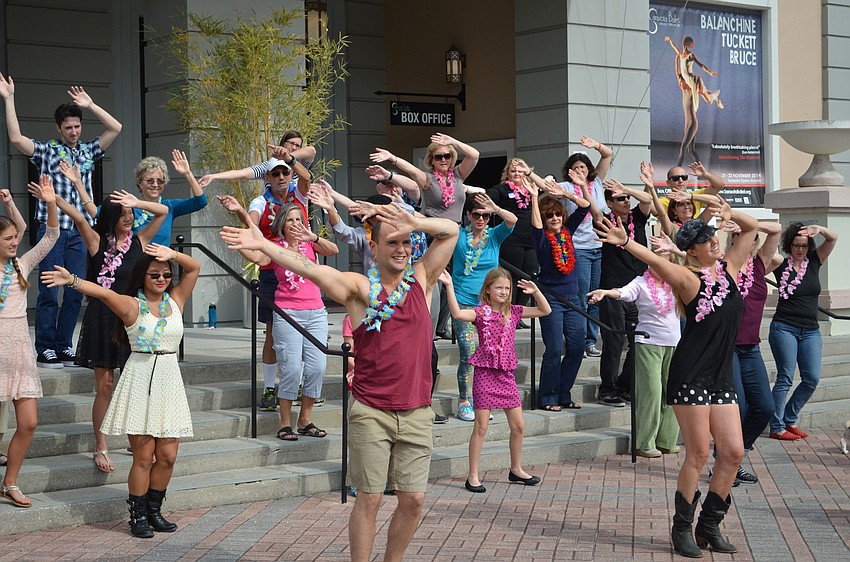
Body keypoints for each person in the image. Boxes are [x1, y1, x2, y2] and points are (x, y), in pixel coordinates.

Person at [221, 203, 458, 562]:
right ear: (373, 247)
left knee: (414, 499)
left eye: (406, 242)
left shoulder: (422, 278)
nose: (401, 249)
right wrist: (265, 244)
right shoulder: (360, 287)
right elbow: (312, 269)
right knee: (370, 498)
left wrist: (416, 222)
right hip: (372, 411)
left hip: (416, 411)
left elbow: (451, 232)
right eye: (392, 242)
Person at [595, 198, 757, 558]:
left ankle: (709, 525)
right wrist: (625, 241)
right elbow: (655, 261)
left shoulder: (730, 269)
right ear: (692, 250)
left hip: (720, 376)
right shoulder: (688, 279)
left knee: (733, 452)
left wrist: (727, 211)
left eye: (713, 236)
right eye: (705, 239)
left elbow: (752, 229)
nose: (713, 241)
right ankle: (681, 528)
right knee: (698, 453)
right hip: (691, 374)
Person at [42, 243, 200, 538]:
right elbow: (103, 293)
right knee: (144, 457)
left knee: (168, 456)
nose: (162, 279)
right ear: (142, 276)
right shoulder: (132, 305)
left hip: (169, 382)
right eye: (155, 274)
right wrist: (72, 280)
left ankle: (154, 511)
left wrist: (173, 255)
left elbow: (194, 268)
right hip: (140, 380)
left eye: (166, 274)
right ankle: (137, 516)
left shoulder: (176, 300)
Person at [43, 181, 167, 473]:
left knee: (136, 384)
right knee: (106, 386)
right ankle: (101, 446)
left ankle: (136, 440)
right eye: (122, 214)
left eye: (130, 213)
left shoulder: (140, 240)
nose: (128, 217)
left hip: (132, 319)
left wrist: (137, 202)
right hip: (102, 318)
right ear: (111, 217)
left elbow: (162, 212)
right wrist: (54, 198)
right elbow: (78, 216)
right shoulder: (97, 241)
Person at [0, 74, 123, 368]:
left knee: (75, 289)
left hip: (81, 230)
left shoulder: (88, 151)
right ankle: (45, 347)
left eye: (77, 126)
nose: (73, 131)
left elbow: (116, 128)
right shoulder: (47, 150)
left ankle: (64, 345)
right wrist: (9, 99)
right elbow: (16, 138)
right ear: (59, 127)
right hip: (52, 230)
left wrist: (90, 105)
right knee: (49, 290)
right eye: (68, 127)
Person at [221, 200, 338, 440]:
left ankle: (305, 419)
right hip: (288, 313)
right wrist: (240, 239)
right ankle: (285, 423)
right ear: (282, 224)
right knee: (291, 368)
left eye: (299, 219)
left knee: (317, 367)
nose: (295, 224)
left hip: (316, 311)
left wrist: (313, 237)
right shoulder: (275, 247)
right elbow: (258, 257)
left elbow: (333, 250)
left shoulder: (310, 244)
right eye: (290, 220)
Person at [441, 267, 550, 493]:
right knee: (481, 427)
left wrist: (536, 291)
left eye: (507, 288)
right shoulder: (481, 312)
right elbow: (458, 314)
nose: (503, 291)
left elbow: (544, 310)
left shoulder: (514, 311)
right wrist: (449, 286)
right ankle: (472, 475)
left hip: (506, 375)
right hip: (485, 373)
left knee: (518, 426)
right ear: (488, 289)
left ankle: (516, 469)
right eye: (499, 287)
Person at [588, 243, 681, 459]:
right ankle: (644, 442)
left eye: (665, 260)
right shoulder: (641, 282)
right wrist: (606, 292)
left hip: (674, 343)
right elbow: (624, 292)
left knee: (673, 392)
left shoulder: (676, 280)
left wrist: (676, 250)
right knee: (652, 393)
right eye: (656, 259)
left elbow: (698, 270)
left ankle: (666, 440)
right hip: (648, 343)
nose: (660, 264)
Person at [0, 179, 59, 508]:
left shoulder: (22, 265)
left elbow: (51, 236)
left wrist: (50, 203)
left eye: (15, 238)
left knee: (29, 422)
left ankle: (10, 482)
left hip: (20, 350)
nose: (15, 242)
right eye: (8, 239)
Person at [716, 220, 783, 484]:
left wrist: (747, 222)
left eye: (751, 236)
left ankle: (733, 458)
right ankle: (724, 463)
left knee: (765, 408)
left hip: (751, 348)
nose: (746, 240)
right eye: (740, 235)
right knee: (738, 407)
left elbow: (776, 230)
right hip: (728, 348)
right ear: (732, 240)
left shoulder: (760, 264)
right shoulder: (724, 266)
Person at [448, 195, 517, 421]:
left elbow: (512, 220)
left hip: (489, 306)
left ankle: (484, 401)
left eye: (485, 216)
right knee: (468, 351)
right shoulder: (459, 235)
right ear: (468, 215)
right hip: (464, 302)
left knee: (490, 353)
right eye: (476, 214)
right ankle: (464, 401)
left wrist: (495, 207)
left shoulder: (494, 235)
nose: (481, 219)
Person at [768, 222, 838, 440]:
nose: (800, 249)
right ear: (789, 246)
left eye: (804, 246)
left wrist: (820, 229)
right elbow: (759, 259)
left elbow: (833, 238)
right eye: (796, 245)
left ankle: (789, 418)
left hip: (810, 331)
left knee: (812, 378)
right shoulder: (780, 264)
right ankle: (776, 426)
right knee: (785, 377)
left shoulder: (815, 261)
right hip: (784, 327)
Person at [531, 179, 591, 411]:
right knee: (555, 348)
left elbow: (585, 206)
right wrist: (534, 198)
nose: (555, 218)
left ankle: (564, 393)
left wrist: (566, 193)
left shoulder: (567, 231)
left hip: (574, 299)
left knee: (577, 347)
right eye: (550, 215)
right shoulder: (542, 238)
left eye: (558, 214)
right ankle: (548, 397)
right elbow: (537, 226)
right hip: (551, 299)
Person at [596, 180, 653, 407]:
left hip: (639, 288)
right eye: (620, 198)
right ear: (610, 203)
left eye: (627, 198)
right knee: (614, 341)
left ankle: (624, 385)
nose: (626, 201)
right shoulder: (606, 221)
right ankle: (607, 390)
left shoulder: (637, 218)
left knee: (638, 341)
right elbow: (593, 211)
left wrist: (627, 189)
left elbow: (648, 199)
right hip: (614, 289)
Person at [558, 137, 613, 357]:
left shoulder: (597, 183)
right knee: (580, 296)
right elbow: (546, 188)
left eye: (583, 167)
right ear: (569, 171)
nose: (580, 171)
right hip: (578, 248)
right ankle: (577, 342)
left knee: (595, 296)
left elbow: (608, 155)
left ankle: (591, 341)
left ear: (589, 169)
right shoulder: (566, 187)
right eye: (576, 168)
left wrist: (595, 145)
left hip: (599, 247)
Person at [486, 159, 538, 311]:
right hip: (511, 239)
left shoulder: (531, 189)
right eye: (513, 171)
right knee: (512, 277)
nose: (516, 174)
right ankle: (508, 311)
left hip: (530, 238)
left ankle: (518, 310)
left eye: (520, 171)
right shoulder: (502, 189)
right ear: (507, 174)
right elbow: (488, 196)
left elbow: (545, 186)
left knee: (531, 274)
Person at [663, 36, 724, 166]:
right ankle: (703, 173)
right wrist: (673, 50)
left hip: (694, 83)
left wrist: (710, 72)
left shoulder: (691, 87)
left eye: (682, 82)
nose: (681, 83)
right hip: (688, 124)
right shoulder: (683, 86)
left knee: (683, 149)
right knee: (691, 150)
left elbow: (700, 65)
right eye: (680, 82)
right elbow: (677, 71)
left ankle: (677, 169)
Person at [131, 150, 208, 245]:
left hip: (162, 255)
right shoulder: (131, 209)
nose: (155, 185)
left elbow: (201, 202)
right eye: (150, 181)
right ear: (140, 183)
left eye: (160, 181)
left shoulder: (170, 206)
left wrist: (187, 173)